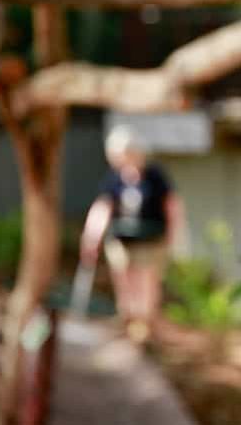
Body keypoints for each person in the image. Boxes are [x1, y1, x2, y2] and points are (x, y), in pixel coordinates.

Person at [79, 125, 183, 342]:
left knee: (146, 281)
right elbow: (102, 208)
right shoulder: (114, 179)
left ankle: (144, 325)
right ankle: (128, 321)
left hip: (150, 240)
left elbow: (172, 206)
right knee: (124, 281)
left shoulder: (154, 175)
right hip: (122, 240)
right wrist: (92, 237)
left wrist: (174, 235)